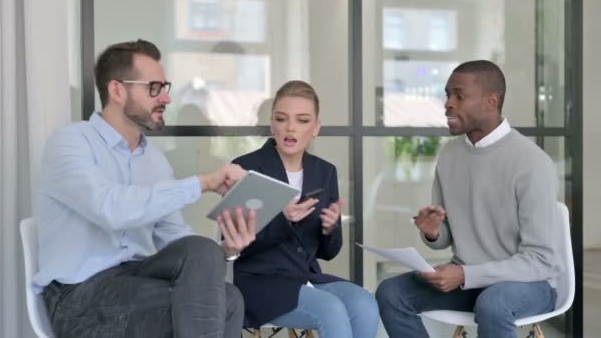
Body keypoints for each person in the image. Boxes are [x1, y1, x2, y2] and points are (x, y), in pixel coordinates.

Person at [34, 39, 257, 338]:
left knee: (222, 284)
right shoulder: (70, 143)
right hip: (78, 298)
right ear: (117, 90)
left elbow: (177, 241)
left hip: (136, 283)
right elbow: (111, 209)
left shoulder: (155, 161)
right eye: (154, 87)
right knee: (219, 304)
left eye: (165, 87)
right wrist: (203, 183)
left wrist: (227, 251)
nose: (165, 98)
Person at [375, 60, 564, 338]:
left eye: (459, 96)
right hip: (470, 283)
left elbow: (540, 260)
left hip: (528, 285)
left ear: (490, 101)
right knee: (391, 293)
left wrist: (464, 275)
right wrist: (433, 232)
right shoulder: (450, 155)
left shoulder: (532, 163)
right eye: (447, 94)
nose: (448, 104)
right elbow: (446, 237)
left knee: (494, 304)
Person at [231, 80, 379, 338]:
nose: (290, 128)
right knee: (331, 310)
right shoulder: (246, 168)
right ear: (272, 124)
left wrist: (330, 228)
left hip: (306, 278)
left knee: (365, 303)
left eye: (302, 120)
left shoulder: (324, 172)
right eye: (281, 119)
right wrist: (282, 220)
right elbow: (232, 245)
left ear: (315, 128)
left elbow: (329, 252)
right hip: (259, 282)